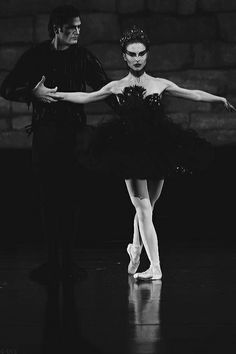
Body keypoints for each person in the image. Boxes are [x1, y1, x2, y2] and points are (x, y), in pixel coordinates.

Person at [51, 26, 235, 281]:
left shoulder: (159, 84)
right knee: (144, 209)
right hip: (129, 152)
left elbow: (192, 93)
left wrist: (218, 99)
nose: (137, 58)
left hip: (158, 149)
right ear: (124, 56)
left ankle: (135, 248)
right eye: (132, 54)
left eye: (141, 54)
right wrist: (53, 95)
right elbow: (85, 96)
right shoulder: (117, 86)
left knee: (148, 208)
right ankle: (155, 267)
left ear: (147, 55)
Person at [0, 5, 116, 282]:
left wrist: (132, 112)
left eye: (79, 27)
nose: (77, 32)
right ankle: (52, 261)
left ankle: (68, 261)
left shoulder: (83, 57)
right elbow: (6, 88)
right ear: (56, 29)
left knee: (72, 197)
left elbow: (105, 88)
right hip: (46, 135)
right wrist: (32, 93)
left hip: (74, 136)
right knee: (49, 198)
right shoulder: (36, 56)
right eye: (71, 28)